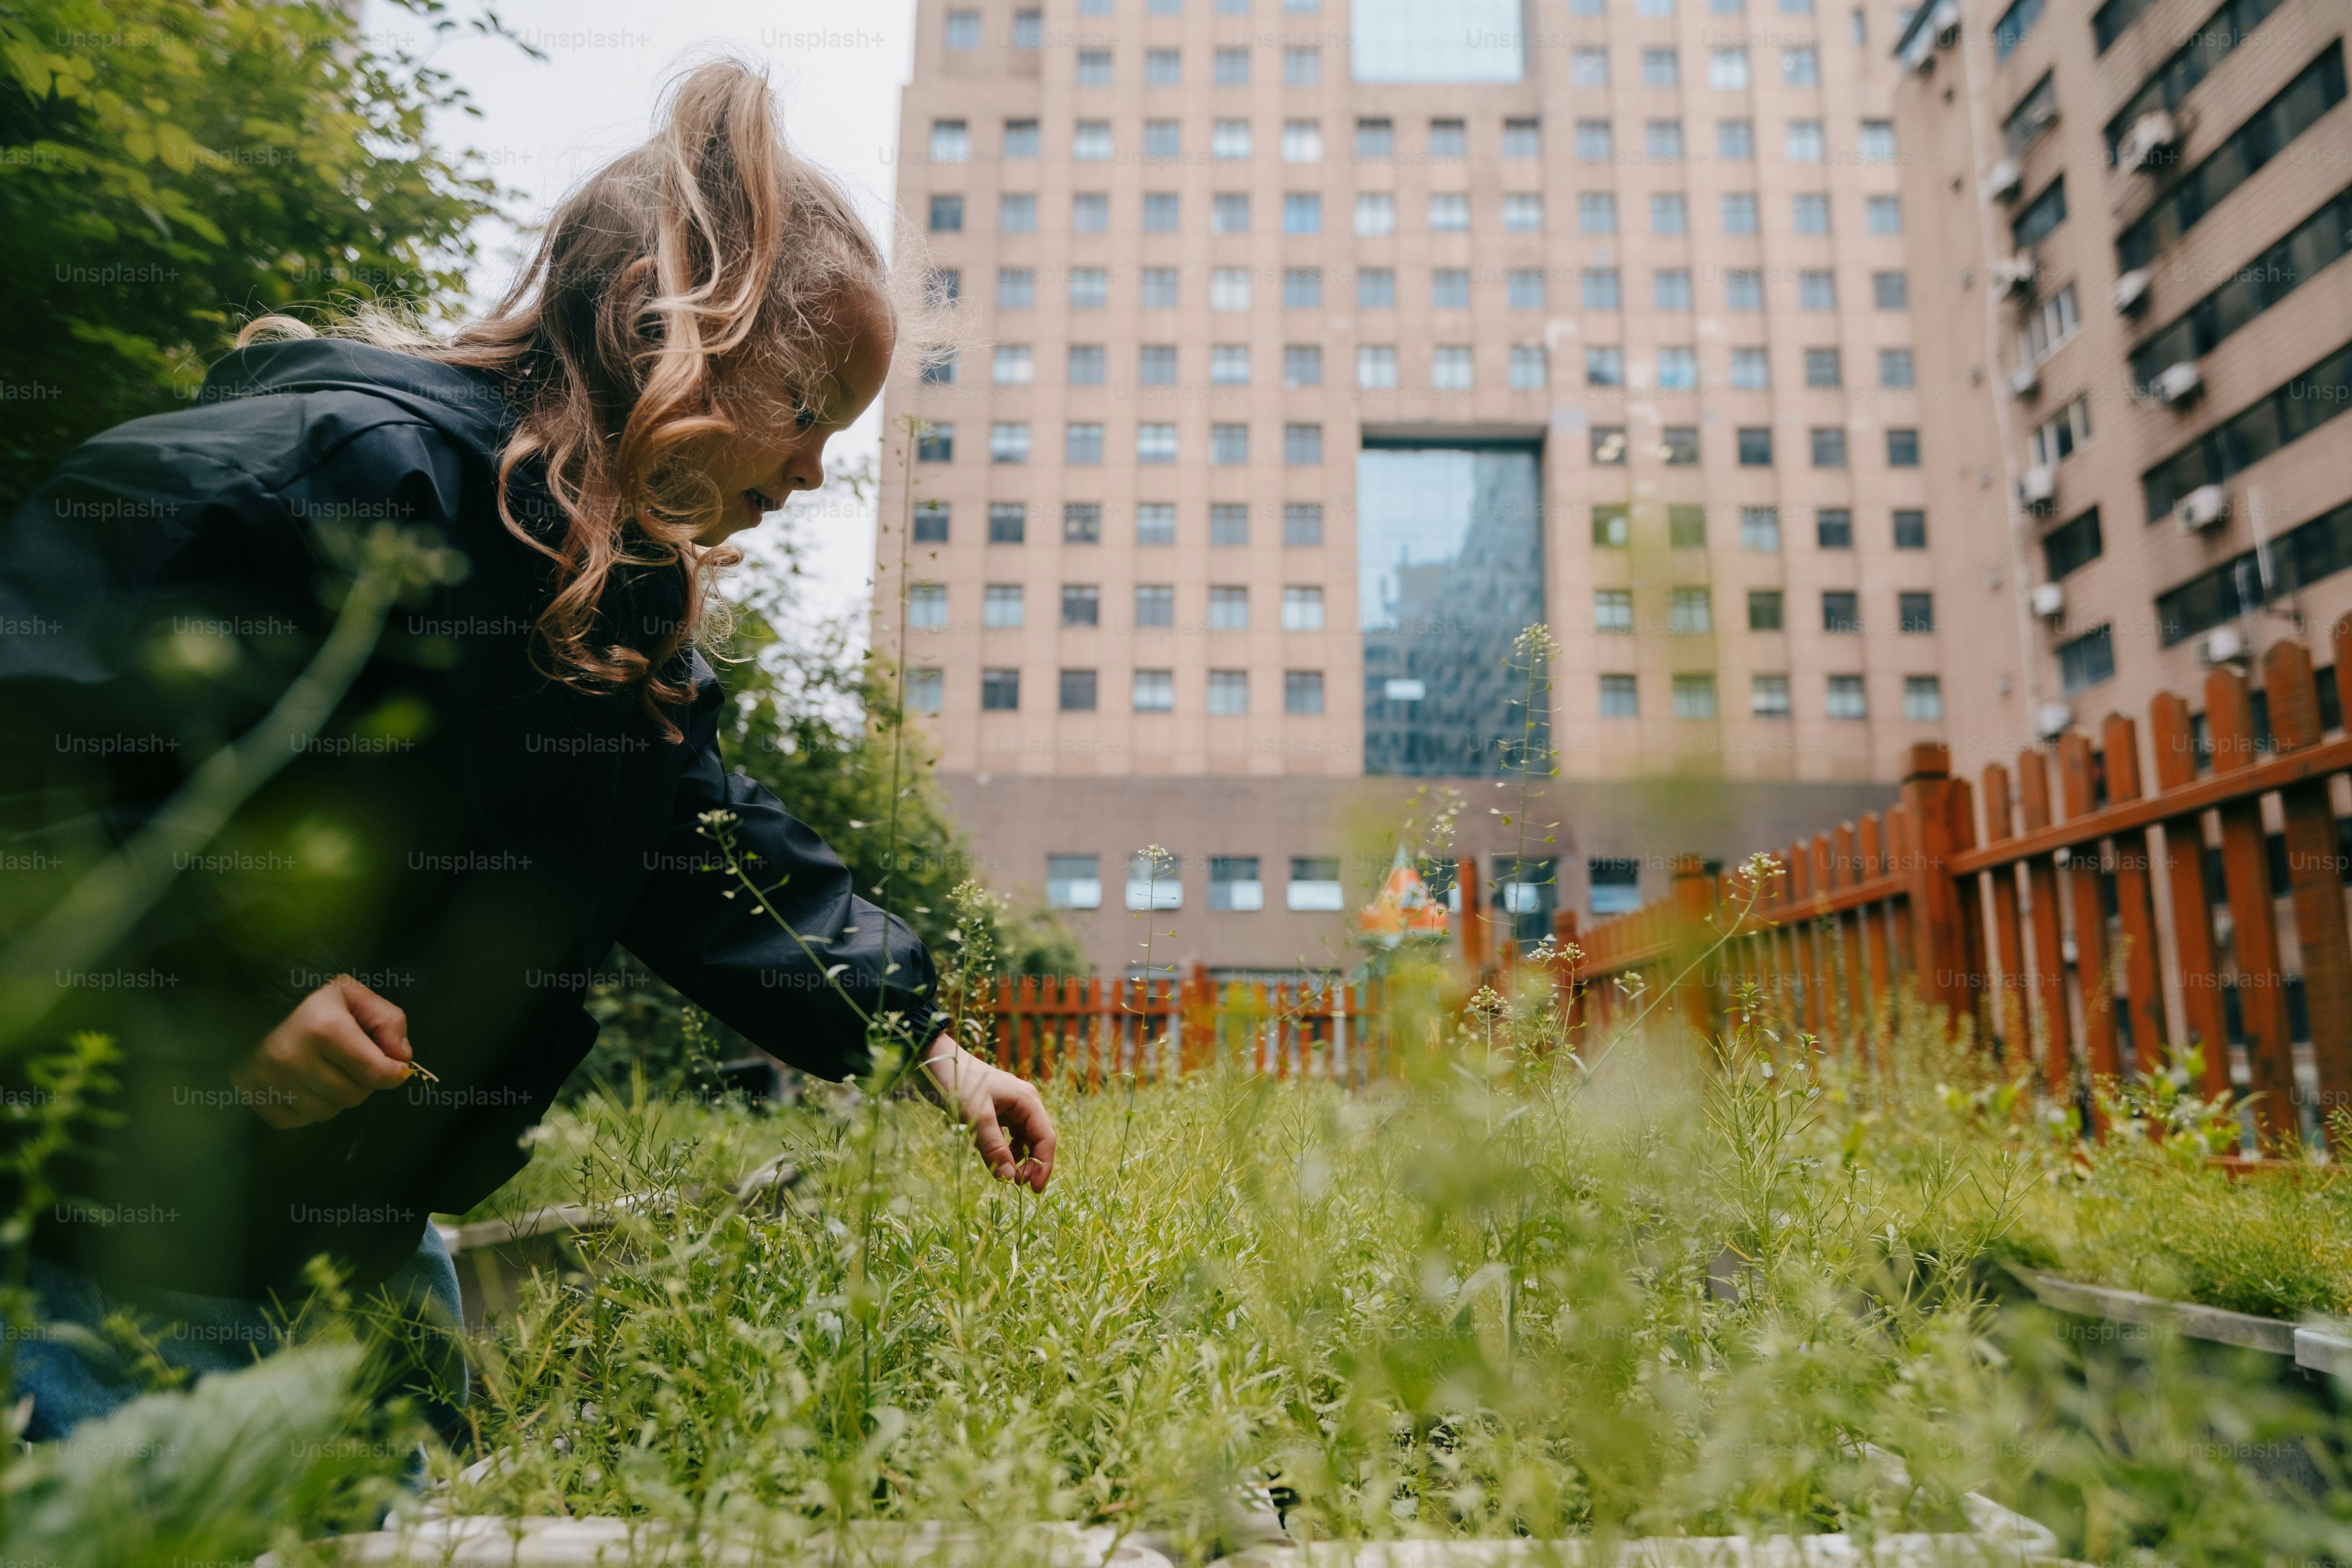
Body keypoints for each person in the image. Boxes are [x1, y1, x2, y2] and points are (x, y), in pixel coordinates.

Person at [0, 57, 1053, 1440]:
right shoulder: (325, 477)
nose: (813, 475)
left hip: (363, 1260)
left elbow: (711, 856)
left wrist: (926, 1044)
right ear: (665, 331)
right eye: (805, 415)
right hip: (103, 1268)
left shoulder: (616, 617)